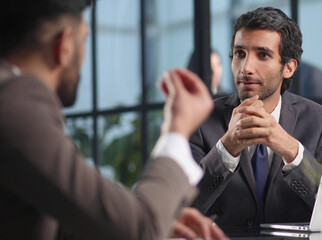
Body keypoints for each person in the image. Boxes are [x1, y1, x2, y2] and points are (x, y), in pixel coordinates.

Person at [0, 1, 228, 240]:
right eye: (85, 39)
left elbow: (52, 225)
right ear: (64, 44)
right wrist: (177, 131)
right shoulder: (14, 101)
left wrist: (157, 218)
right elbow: (139, 229)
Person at [189, 7, 322, 227]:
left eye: (263, 55)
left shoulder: (320, 120)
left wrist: (291, 150)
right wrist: (226, 149)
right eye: (240, 54)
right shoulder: (200, 119)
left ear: (288, 67)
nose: (246, 68)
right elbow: (182, 209)